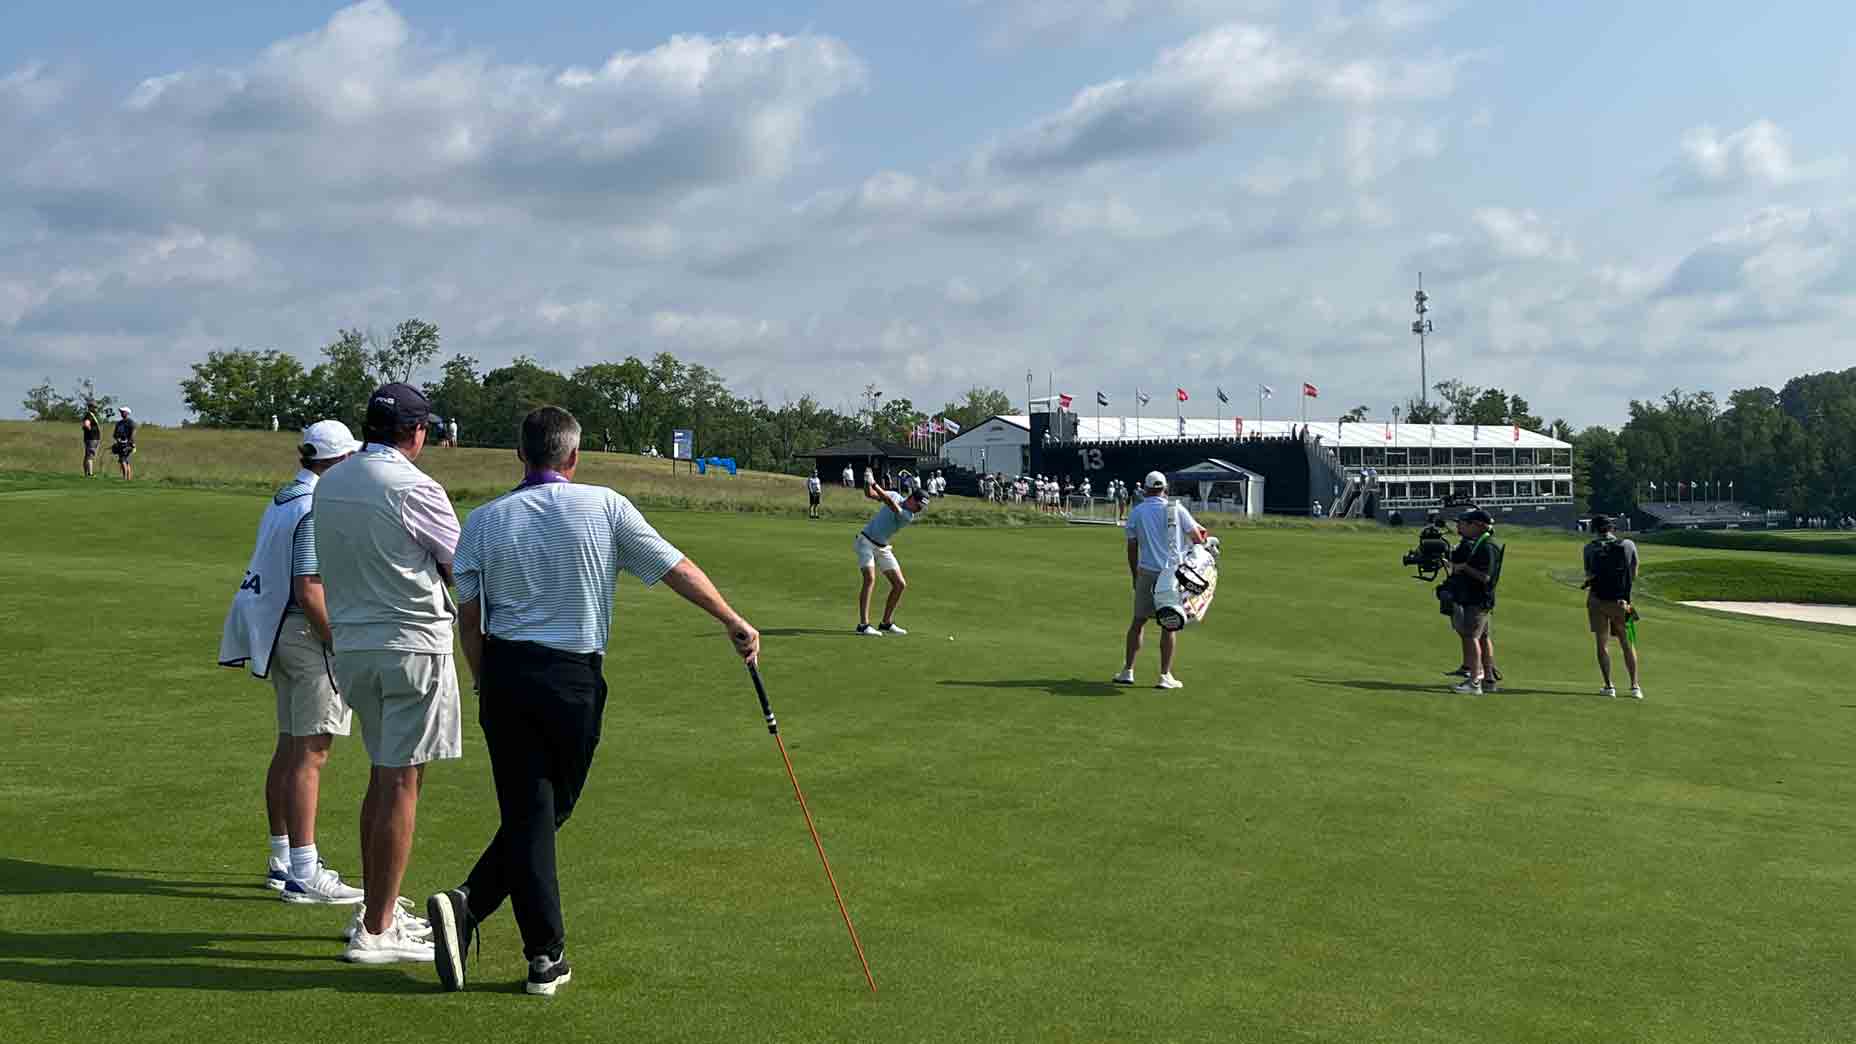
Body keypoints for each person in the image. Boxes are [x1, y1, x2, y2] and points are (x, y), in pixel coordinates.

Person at [425, 406, 759, 996]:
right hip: (573, 677)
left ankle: (471, 906)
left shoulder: (482, 520)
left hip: (505, 673)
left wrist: (482, 682)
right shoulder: (605, 506)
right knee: (544, 811)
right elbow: (673, 566)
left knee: (535, 812)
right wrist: (729, 617)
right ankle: (539, 955)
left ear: (520, 455)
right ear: (573, 457)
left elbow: (469, 621)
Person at [314, 383, 461, 964]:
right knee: (402, 782)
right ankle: (377, 930)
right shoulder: (416, 486)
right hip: (412, 646)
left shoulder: (332, 482)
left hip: (352, 648)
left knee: (383, 776)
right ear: (416, 431)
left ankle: (380, 903)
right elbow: (461, 565)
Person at [218, 420, 373, 908]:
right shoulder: (315, 506)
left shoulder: (285, 497)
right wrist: (340, 643)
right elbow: (310, 588)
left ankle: (282, 859)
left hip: (278, 632)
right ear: (339, 462)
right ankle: (304, 872)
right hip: (306, 635)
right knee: (312, 751)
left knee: (289, 746)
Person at [1115, 471, 1207, 689]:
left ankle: (1128, 671)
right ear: (1165, 488)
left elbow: (1131, 547)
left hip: (1146, 572)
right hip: (1173, 575)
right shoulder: (1176, 509)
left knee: (1138, 622)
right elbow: (1197, 538)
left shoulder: (1137, 512)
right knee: (1169, 625)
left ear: (1146, 489)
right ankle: (1165, 676)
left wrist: (1134, 576)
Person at [854, 475, 929, 636]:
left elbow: (890, 503)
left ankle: (886, 623)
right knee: (870, 578)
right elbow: (871, 495)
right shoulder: (895, 495)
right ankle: (863, 625)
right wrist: (867, 482)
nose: (919, 509)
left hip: (883, 548)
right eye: (919, 505)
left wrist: (874, 482)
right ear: (911, 499)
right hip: (865, 542)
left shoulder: (908, 516)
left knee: (900, 584)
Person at [1582, 514, 1643, 699]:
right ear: (1612, 528)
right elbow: (1634, 572)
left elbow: (1589, 574)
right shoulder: (1628, 545)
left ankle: (1609, 686)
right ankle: (1634, 687)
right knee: (1627, 643)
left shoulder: (1589, 549)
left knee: (1602, 644)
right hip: (1621, 602)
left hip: (1597, 600)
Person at [1444, 510, 1499, 695]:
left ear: (1477, 525)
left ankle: (1475, 681)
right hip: (1480, 598)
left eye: (1466, 524)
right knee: (1482, 637)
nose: (1462, 527)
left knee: (1471, 636)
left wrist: (1464, 567)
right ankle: (1488, 679)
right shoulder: (1482, 544)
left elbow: (1486, 576)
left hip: (1478, 599)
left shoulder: (1486, 547)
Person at [111, 406, 137, 480]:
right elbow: (115, 434)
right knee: (125, 460)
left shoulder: (131, 422)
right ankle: (128, 479)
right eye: (121, 412)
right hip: (120, 444)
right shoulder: (119, 423)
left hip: (128, 444)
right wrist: (118, 440)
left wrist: (129, 442)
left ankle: (124, 478)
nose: (121, 413)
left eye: (123, 412)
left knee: (122, 460)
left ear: (127, 413)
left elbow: (133, 433)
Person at [81, 409, 102, 477]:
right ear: (91, 407)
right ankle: (90, 474)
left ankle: (86, 474)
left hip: (92, 439)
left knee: (88, 455)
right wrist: (91, 431)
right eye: (94, 407)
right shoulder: (89, 415)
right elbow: (86, 424)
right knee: (90, 456)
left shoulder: (91, 415)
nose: (96, 408)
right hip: (92, 439)